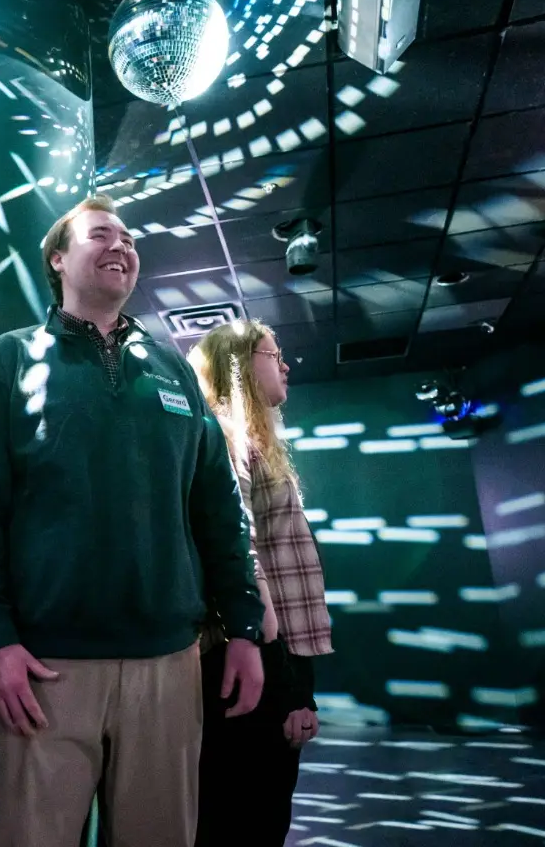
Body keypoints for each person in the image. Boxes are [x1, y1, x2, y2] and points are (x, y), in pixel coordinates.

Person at [0, 194, 266, 847]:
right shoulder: (7, 362)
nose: (122, 244)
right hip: (40, 668)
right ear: (59, 259)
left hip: (169, 665)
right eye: (101, 234)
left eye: (129, 237)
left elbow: (218, 507)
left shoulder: (175, 370)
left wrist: (242, 626)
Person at [188, 321, 332, 847]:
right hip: (260, 658)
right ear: (241, 364)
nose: (286, 365)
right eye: (275, 354)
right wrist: (288, 683)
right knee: (251, 815)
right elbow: (243, 554)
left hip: (275, 654)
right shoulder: (227, 434)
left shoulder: (252, 439)